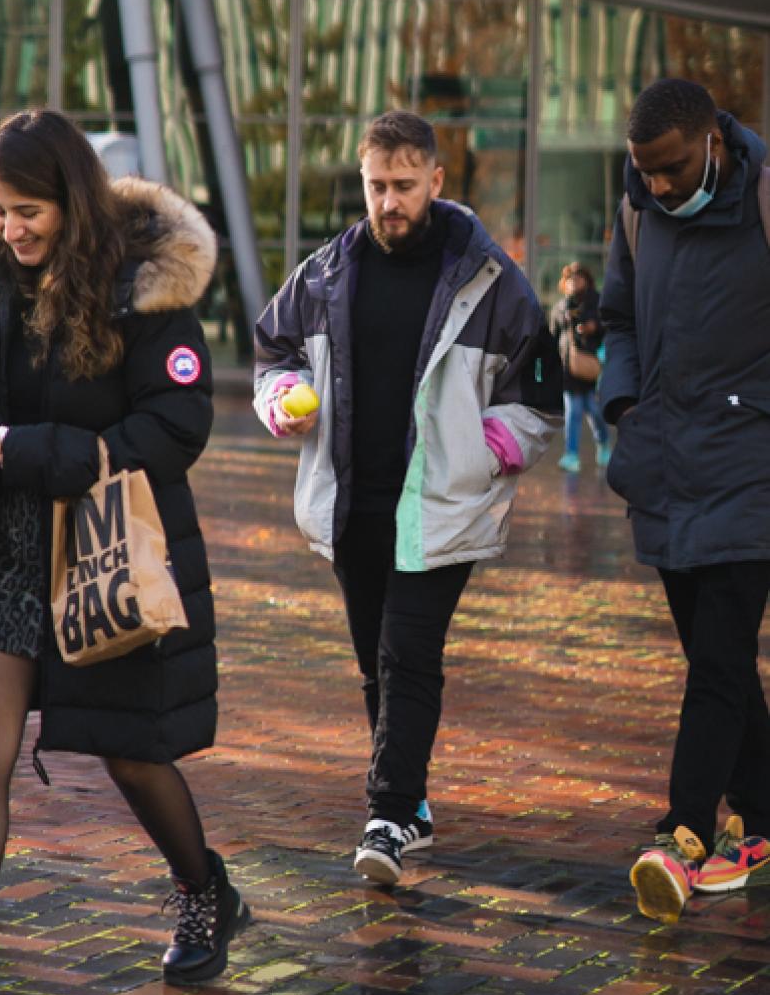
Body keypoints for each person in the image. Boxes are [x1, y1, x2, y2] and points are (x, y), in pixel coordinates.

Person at [0, 109, 247, 995]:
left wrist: (48, 447)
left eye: (30, 212)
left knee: (132, 754)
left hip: (107, 552)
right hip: (9, 552)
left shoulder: (142, 288)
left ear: (72, 203)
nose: (11, 230)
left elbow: (177, 425)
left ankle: (206, 888)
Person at [254, 111, 561, 887]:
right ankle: (412, 804)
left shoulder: (490, 278)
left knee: (407, 653)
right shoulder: (325, 273)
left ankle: (388, 815)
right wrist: (286, 393)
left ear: (435, 180)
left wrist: (493, 446)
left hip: (442, 504)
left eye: (402, 185)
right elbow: (271, 348)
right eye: (375, 185)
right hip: (353, 503)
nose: (388, 201)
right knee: (374, 666)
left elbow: (539, 393)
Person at [600, 78, 770, 924]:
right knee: (726, 663)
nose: (659, 186)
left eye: (671, 168)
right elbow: (619, 317)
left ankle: (684, 833)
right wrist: (626, 409)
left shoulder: (764, 195)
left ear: (713, 140)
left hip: (751, 469)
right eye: (646, 171)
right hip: (663, 466)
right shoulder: (635, 205)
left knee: (715, 659)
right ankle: (767, 823)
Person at [550, 262, 610, 472]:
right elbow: (553, 337)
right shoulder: (560, 307)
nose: (574, 282)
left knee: (594, 410)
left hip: (591, 367)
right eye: (570, 279)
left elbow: (610, 328)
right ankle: (571, 455)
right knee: (573, 412)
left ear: (587, 280)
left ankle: (603, 443)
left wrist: (594, 327)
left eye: (578, 278)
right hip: (568, 369)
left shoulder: (596, 303)